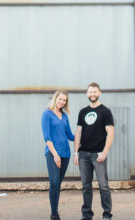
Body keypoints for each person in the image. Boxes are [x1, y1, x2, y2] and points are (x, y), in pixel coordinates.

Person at [74, 82, 115, 220]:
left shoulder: (105, 111)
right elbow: (78, 132)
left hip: (98, 155)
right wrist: (76, 153)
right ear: (87, 94)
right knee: (86, 186)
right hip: (83, 155)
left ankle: (107, 214)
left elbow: (110, 133)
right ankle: (86, 214)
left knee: (103, 186)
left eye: (95, 92)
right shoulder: (83, 112)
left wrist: (104, 152)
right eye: (90, 92)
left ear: (99, 93)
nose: (92, 94)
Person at [42, 90, 75, 220]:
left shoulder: (65, 116)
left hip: (65, 154)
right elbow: (47, 137)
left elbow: (70, 135)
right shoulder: (47, 114)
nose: (62, 102)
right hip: (52, 153)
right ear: (55, 99)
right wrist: (55, 154)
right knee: (54, 182)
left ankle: (55, 210)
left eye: (64, 100)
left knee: (58, 184)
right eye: (60, 99)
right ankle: (54, 214)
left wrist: (83, 132)